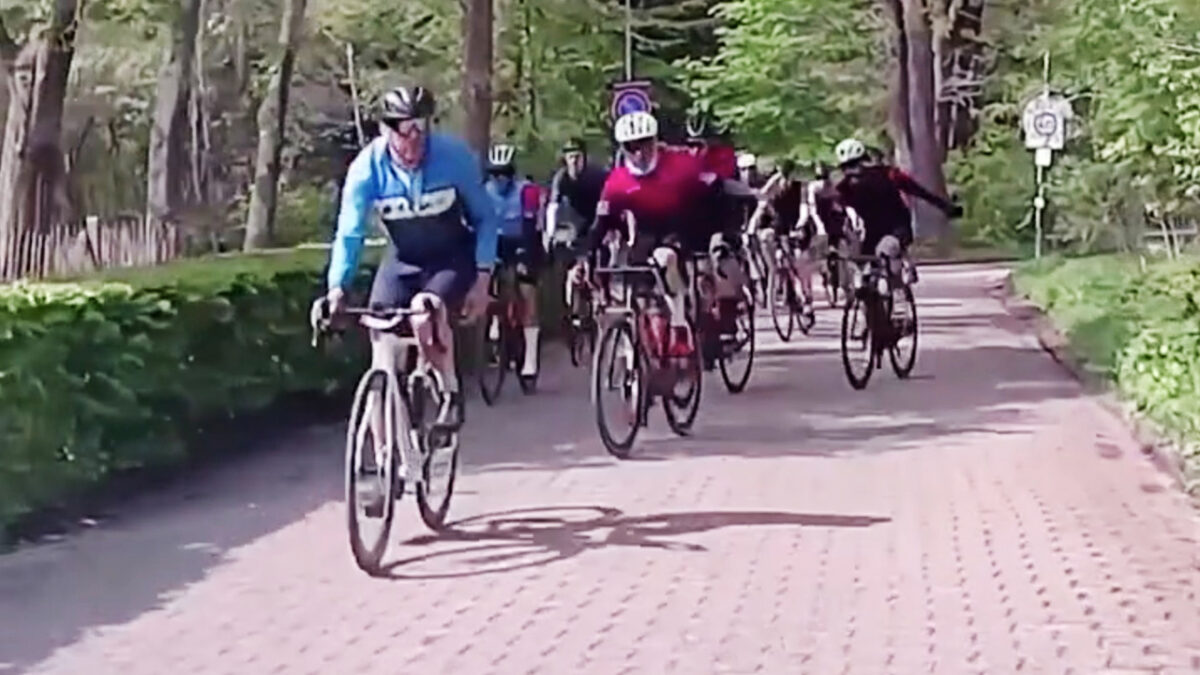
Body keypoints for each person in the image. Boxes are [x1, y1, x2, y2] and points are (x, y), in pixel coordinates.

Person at [321, 85, 498, 434]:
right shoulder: (366, 168)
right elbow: (350, 233)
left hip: (451, 257)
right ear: (385, 130)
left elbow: (485, 219)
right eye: (405, 130)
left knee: (423, 310)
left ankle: (449, 391)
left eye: (422, 127)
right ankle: (388, 452)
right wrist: (337, 287)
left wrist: (482, 279)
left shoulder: (454, 157)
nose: (415, 140)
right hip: (403, 259)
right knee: (380, 339)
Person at [571, 110, 727, 358]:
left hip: (680, 226)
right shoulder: (618, 181)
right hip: (645, 232)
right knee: (634, 284)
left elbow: (713, 190)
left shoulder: (680, 165)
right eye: (631, 147)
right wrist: (584, 259)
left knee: (666, 258)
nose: (639, 153)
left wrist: (717, 228)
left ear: (655, 141)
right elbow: (601, 223)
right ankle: (639, 354)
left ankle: (680, 323)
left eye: (644, 144)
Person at [832, 138, 962, 280]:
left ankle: (899, 278)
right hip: (871, 234)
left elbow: (919, 191)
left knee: (887, 251)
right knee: (863, 271)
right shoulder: (843, 188)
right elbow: (836, 212)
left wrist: (946, 208)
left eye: (855, 165)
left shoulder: (890, 175)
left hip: (897, 227)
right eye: (847, 167)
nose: (852, 171)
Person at [484, 143, 544, 379]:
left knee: (527, 291)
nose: (499, 179)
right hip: (497, 242)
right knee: (484, 276)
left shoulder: (526, 191)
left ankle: (530, 356)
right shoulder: (485, 191)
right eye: (494, 174)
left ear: (512, 174)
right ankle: (494, 321)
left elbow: (530, 226)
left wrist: (525, 257)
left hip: (525, 239)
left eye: (504, 174)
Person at [749, 158, 812, 316]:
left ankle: (805, 298)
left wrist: (800, 225)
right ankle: (778, 288)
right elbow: (762, 199)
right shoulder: (774, 188)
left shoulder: (800, 187)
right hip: (778, 228)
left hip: (795, 228)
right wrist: (751, 228)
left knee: (798, 263)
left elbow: (804, 208)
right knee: (771, 249)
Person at [803, 161, 859, 301]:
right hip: (820, 223)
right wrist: (819, 226)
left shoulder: (833, 188)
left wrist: (852, 219)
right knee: (823, 253)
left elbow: (844, 206)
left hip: (834, 221)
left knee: (843, 251)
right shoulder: (813, 188)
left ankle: (846, 282)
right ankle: (827, 277)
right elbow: (813, 210)